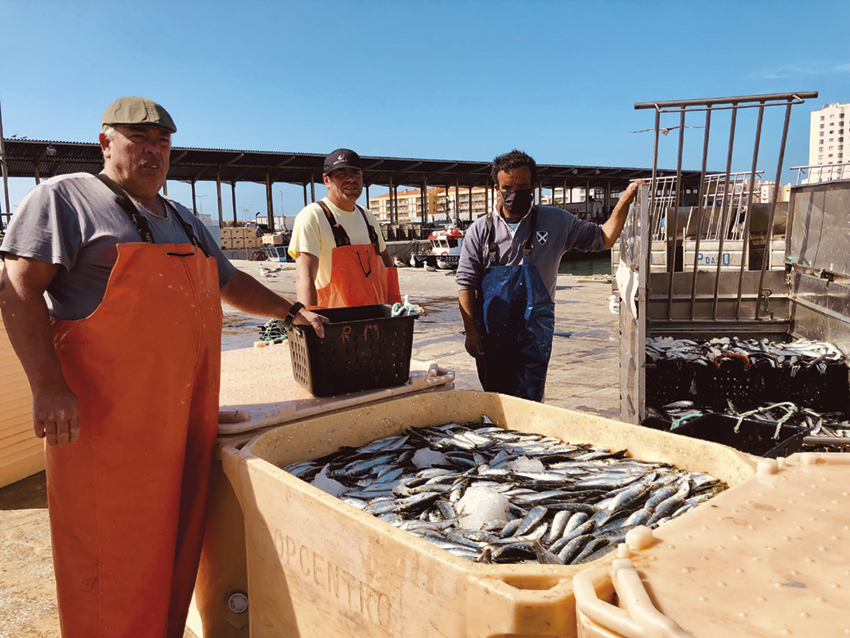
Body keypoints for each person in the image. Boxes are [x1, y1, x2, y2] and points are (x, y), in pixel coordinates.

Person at [0, 96, 328, 638]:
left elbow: (227, 283)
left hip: (182, 421)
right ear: (106, 142)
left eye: (162, 142)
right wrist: (48, 386)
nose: (153, 151)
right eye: (138, 139)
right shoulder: (64, 198)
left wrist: (291, 311)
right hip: (103, 424)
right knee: (108, 552)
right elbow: (16, 287)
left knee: (174, 547)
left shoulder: (185, 220)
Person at [456, 149, 641, 402]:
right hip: (491, 333)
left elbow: (604, 238)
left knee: (531, 400)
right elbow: (466, 284)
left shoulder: (557, 221)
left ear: (534, 186)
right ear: (497, 188)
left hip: (535, 330)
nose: (514, 193)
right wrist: (471, 332)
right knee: (496, 400)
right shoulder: (479, 230)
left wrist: (624, 202)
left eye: (522, 186)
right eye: (507, 187)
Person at [289, 148, 401, 307]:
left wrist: (396, 311)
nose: (351, 178)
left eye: (356, 173)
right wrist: (311, 319)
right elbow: (304, 277)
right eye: (341, 174)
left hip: (375, 320)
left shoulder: (368, 217)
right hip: (335, 322)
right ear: (326, 180)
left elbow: (387, 265)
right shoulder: (313, 216)